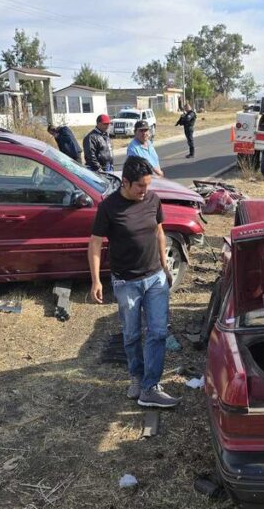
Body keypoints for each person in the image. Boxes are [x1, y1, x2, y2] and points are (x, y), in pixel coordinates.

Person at [88, 156, 180, 408]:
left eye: (148, 185)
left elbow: (159, 231)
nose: (145, 191)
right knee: (131, 335)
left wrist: (165, 264)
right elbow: (95, 242)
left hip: (154, 278)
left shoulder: (152, 199)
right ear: (125, 182)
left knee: (158, 332)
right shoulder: (109, 207)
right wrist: (96, 280)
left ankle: (150, 387)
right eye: (140, 186)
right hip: (126, 282)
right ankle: (137, 377)